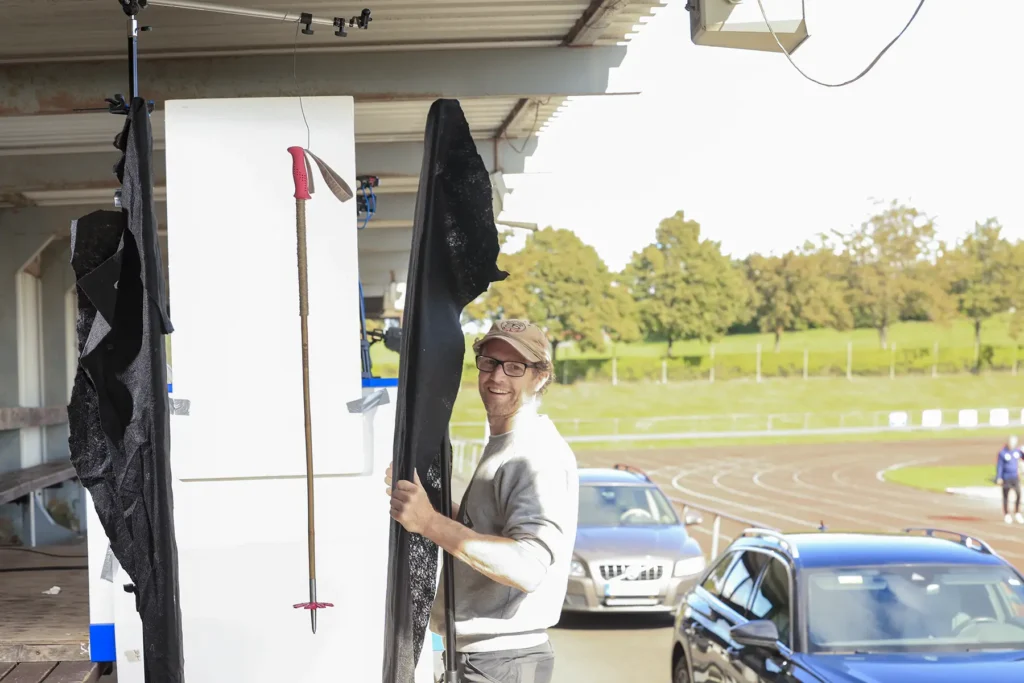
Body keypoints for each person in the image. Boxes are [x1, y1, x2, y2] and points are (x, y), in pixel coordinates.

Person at [385, 319, 579, 683]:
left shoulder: (535, 454)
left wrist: (430, 523)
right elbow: (486, 532)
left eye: (515, 367)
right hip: (487, 660)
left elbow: (527, 565)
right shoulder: (506, 446)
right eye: (489, 362)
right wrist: (432, 507)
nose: (497, 378)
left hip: (503, 660)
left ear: (540, 376)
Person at [996, 436, 1022, 524]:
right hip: (1006, 477)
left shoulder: (1017, 451)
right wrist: (999, 477)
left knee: (1018, 494)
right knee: (1006, 496)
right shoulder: (1002, 453)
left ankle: (1017, 512)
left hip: (1015, 477)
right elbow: (1000, 466)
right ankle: (1007, 514)